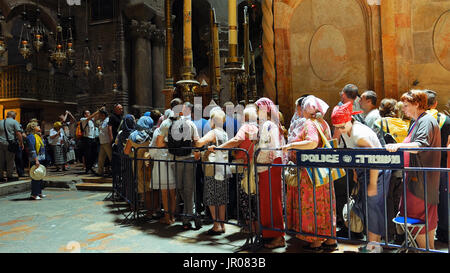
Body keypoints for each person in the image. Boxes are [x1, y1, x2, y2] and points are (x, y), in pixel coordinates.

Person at [331, 101, 392, 252]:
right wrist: (355, 174)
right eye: (336, 127)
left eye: (341, 126)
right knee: (368, 207)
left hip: (376, 171)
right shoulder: (347, 130)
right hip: (364, 171)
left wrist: (372, 183)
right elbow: (354, 154)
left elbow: (373, 159)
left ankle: (374, 246)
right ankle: (373, 244)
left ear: (349, 120)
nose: (339, 130)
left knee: (373, 207)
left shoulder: (360, 135)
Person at [386, 90, 441, 249]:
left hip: (420, 183)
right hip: (419, 181)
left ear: (417, 104)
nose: (403, 109)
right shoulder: (419, 121)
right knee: (425, 220)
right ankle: (428, 250)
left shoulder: (426, 121)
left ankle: (425, 251)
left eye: (406, 105)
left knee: (419, 219)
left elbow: (420, 145)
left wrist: (397, 145)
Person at [282, 95, 337, 252]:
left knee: (313, 205)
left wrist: (291, 145)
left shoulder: (309, 123)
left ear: (305, 109)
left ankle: (315, 242)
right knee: (326, 205)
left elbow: (312, 142)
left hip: (310, 174)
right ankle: (330, 240)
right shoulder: (323, 122)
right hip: (323, 172)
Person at [208, 105, 259, 235]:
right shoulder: (258, 127)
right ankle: (256, 227)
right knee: (254, 198)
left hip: (245, 165)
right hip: (257, 165)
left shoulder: (245, 127)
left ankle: (249, 227)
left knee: (244, 197)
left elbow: (237, 140)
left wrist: (220, 148)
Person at [157, 98, 200, 230]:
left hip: (175, 159)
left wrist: (169, 144)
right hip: (189, 158)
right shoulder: (190, 124)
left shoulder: (166, 124)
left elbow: (159, 144)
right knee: (189, 189)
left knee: (180, 188)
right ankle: (189, 215)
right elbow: (197, 143)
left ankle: (187, 215)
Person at [373, 98, 410, 242]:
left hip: (387, 169)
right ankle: (402, 235)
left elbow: (375, 145)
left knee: (387, 203)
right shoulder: (405, 123)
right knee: (400, 202)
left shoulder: (380, 123)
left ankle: (389, 235)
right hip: (404, 166)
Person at [255, 97, 286, 249]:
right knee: (269, 201)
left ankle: (277, 236)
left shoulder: (268, 124)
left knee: (272, 201)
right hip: (270, 164)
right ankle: (270, 234)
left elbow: (271, 147)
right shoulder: (269, 124)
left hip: (269, 165)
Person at [196, 109, 230, 235]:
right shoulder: (224, 133)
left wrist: (196, 138)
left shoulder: (213, 132)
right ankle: (222, 224)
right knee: (221, 197)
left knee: (211, 196)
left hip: (213, 168)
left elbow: (199, 143)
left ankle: (216, 225)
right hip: (223, 167)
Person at [424, 90, 450, 243]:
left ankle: (424, 233)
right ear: (435, 103)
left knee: (424, 200)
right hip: (442, 166)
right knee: (444, 200)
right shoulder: (447, 120)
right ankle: (444, 232)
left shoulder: (419, 120)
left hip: (423, 166)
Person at [148, 109, 177, 225]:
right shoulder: (176, 127)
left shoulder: (160, 129)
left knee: (164, 192)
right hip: (173, 160)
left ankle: (167, 217)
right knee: (172, 192)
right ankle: (173, 216)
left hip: (162, 161)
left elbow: (154, 146)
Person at [124, 116, 156, 217]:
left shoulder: (133, 136)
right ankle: (156, 209)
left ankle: (149, 211)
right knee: (153, 187)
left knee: (143, 187)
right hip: (152, 163)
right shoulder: (152, 134)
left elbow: (126, 151)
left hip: (139, 164)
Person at [0, 111, 24, 182]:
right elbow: (18, 133)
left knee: (1, 160)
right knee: (10, 160)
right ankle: (9, 176)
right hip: (10, 144)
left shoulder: (1, 121)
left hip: (0, 143)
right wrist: (21, 143)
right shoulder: (14, 122)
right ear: (14, 116)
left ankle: (0, 176)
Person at [26, 121, 47, 200]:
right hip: (35, 158)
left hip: (40, 158)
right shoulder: (31, 136)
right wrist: (36, 160)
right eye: (37, 126)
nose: (39, 127)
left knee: (40, 175)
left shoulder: (37, 136)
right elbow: (32, 150)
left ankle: (39, 192)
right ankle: (34, 194)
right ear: (33, 128)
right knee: (35, 177)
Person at [80, 107, 104, 174]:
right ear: (85, 115)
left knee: (94, 153)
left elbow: (96, 117)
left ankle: (91, 167)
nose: (89, 114)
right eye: (88, 113)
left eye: (89, 113)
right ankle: (88, 169)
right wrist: (98, 110)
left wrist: (100, 111)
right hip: (87, 139)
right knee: (88, 155)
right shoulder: (83, 119)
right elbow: (92, 116)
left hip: (92, 139)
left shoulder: (91, 121)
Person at [96, 109, 112, 177]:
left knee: (111, 157)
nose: (99, 116)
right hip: (102, 142)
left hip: (107, 141)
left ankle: (114, 171)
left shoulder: (108, 120)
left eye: (100, 115)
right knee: (101, 158)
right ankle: (100, 172)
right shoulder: (101, 121)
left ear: (103, 115)